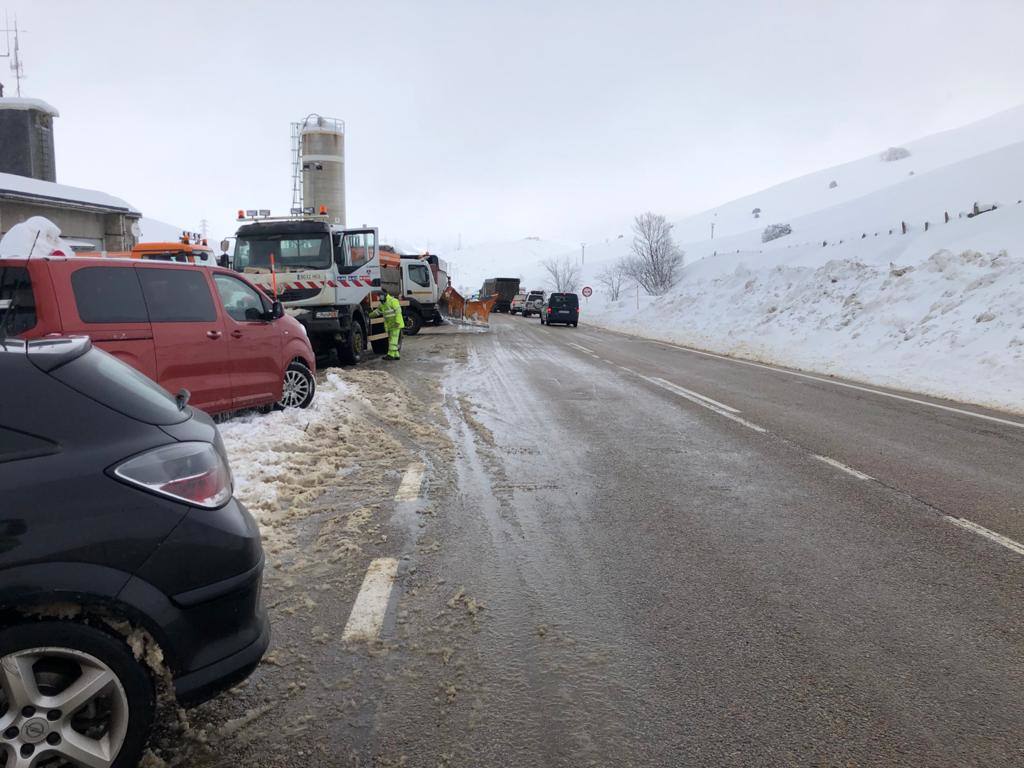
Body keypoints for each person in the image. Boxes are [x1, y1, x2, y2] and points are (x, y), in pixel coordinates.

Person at [371, 285, 405, 361]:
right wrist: (369, 315)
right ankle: (396, 355)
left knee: (393, 340)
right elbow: (377, 312)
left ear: (384, 295)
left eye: (380, 295)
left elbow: (398, 312)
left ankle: (390, 355)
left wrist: (397, 322)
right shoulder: (382, 304)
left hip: (396, 324)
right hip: (390, 325)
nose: (379, 297)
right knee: (392, 340)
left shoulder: (393, 301)